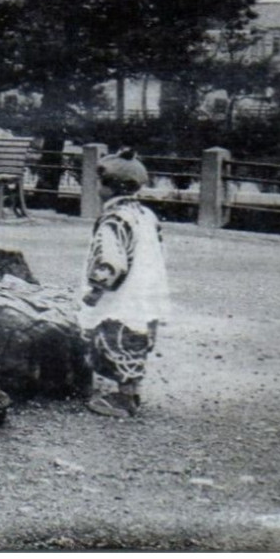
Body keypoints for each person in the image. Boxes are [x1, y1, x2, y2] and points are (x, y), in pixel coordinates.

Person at [79, 148, 170, 418]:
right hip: (146, 289)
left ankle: (124, 399)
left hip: (122, 293)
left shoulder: (114, 220)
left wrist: (96, 290)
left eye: (99, 182)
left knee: (116, 337)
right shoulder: (146, 216)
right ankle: (131, 390)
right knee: (136, 339)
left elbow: (111, 262)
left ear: (109, 187)